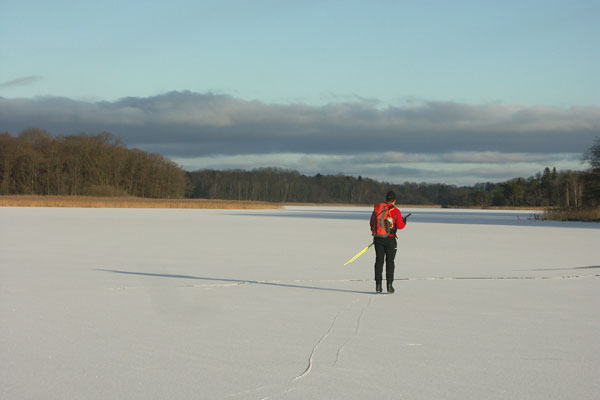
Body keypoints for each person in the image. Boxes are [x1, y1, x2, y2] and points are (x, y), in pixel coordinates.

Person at [370, 190, 406, 293]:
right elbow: (400, 226)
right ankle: (389, 286)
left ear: (386, 200)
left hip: (378, 239)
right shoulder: (396, 211)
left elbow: (371, 223)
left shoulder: (377, 210)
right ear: (394, 200)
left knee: (379, 261)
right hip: (390, 239)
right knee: (390, 262)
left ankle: (378, 285)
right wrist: (404, 222)